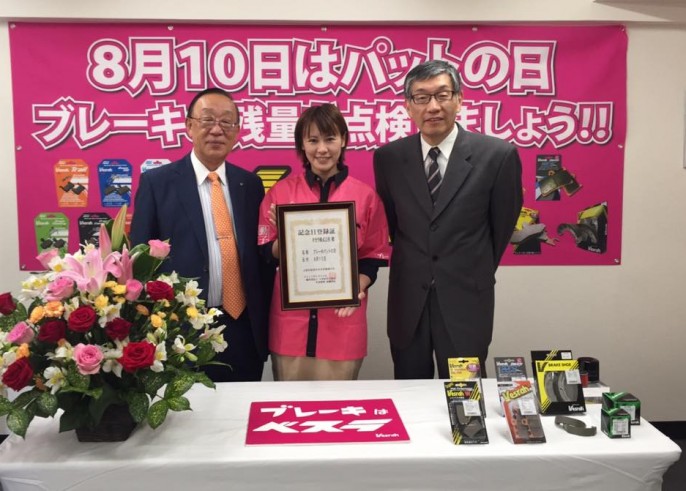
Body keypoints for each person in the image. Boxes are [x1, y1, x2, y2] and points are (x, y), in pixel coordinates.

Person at [373, 60, 523, 380]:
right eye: (421, 97)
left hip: (466, 300)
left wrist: (468, 268)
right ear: (408, 106)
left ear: (459, 99)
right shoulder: (388, 159)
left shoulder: (497, 156)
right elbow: (394, 225)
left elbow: (501, 228)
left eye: (442, 95)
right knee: (410, 391)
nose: (433, 107)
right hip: (408, 300)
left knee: (465, 396)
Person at [130, 88, 273, 382]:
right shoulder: (157, 184)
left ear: (237, 131)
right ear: (189, 126)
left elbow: (260, 258)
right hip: (183, 329)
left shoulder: (250, 184)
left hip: (242, 327)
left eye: (227, 122)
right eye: (207, 120)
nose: (217, 130)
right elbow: (141, 263)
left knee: (243, 406)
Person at [258, 104, 390, 381]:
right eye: (313, 140)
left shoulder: (365, 197)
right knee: (290, 404)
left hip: (342, 325)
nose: (322, 149)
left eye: (330, 138)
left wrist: (357, 287)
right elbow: (266, 253)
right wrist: (285, 237)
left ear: (343, 140)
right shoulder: (280, 194)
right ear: (301, 144)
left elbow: (372, 257)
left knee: (339, 405)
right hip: (290, 329)